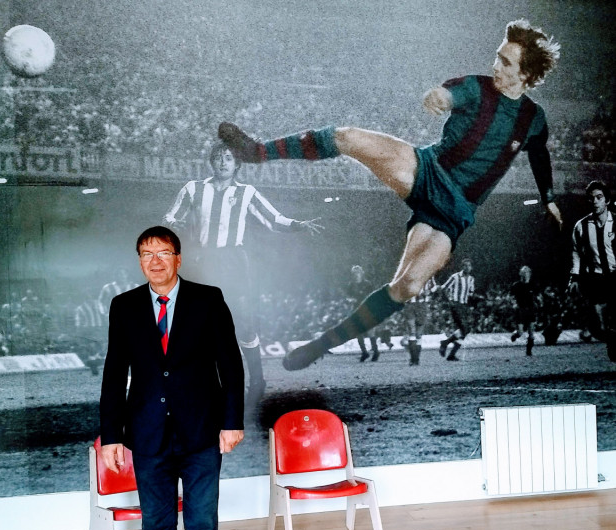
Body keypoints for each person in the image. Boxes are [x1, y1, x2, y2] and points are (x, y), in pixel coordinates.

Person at [218, 19, 563, 370]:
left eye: (505, 62)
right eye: (497, 56)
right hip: (425, 171)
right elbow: (450, 93)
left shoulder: (533, 118)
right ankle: (256, 152)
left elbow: (539, 151)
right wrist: (439, 96)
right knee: (347, 137)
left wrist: (548, 197)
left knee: (407, 287)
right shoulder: (477, 87)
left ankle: (320, 346)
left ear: (525, 74)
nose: (496, 65)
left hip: (454, 212)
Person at [99, 225, 244, 530]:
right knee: (157, 528)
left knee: (201, 526)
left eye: (163, 252)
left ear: (178, 258)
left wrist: (231, 422)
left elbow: (230, 365)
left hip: (201, 434)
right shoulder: (124, 306)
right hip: (148, 436)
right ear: (139, 261)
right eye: (147, 254)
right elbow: (114, 373)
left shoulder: (208, 299)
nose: (155, 261)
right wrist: (112, 435)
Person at [163, 141, 322, 404]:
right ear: (211, 162)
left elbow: (273, 219)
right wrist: (174, 225)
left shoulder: (247, 192)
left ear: (237, 164)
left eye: (228, 158)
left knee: (243, 322)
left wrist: (299, 224)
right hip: (201, 260)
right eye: (218, 157)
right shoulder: (193, 188)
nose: (223, 162)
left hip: (233, 262)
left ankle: (257, 380)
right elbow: (170, 216)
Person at [568, 180, 616, 361]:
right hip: (596, 279)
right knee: (598, 327)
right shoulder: (581, 226)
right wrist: (574, 278)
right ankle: (611, 339)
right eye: (591, 198)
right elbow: (576, 253)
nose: (595, 201)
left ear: (607, 200)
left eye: (599, 197)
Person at [438, 258, 476, 361]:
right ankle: (447, 346)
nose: (467, 267)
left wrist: (472, 299)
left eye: (469, 266)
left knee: (464, 331)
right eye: (465, 265)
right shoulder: (455, 277)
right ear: (462, 267)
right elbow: (444, 288)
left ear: (471, 267)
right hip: (456, 304)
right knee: (464, 329)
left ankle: (449, 349)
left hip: (464, 305)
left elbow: (471, 292)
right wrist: (450, 300)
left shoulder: (471, 279)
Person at [347, 265, 379, 362]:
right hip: (356, 310)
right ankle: (364, 352)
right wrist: (350, 300)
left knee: (370, 331)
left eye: (358, 273)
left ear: (361, 274)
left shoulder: (367, 284)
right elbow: (348, 297)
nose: (356, 275)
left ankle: (376, 352)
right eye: (354, 273)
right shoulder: (351, 285)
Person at [403, 276, 436, 365]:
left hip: (422, 306)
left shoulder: (428, 273)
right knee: (412, 331)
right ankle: (413, 359)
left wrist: (429, 291)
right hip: (410, 305)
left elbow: (434, 287)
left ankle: (416, 359)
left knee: (418, 334)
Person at [510, 265, 538, 356]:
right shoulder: (516, 285)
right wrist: (514, 304)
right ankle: (515, 335)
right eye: (523, 272)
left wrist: (537, 302)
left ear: (530, 274)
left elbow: (536, 295)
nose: (525, 274)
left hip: (530, 309)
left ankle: (529, 351)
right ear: (520, 274)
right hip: (521, 310)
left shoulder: (533, 284)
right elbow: (512, 297)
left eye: (527, 272)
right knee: (520, 332)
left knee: (531, 332)